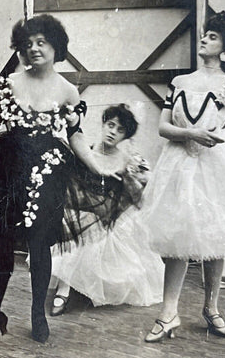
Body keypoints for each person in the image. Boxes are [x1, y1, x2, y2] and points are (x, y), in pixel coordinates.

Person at [0, 14, 116, 352]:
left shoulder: (68, 90)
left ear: (55, 47)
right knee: (1, 247)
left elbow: (75, 136)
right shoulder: (11, 83)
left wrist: (97, 167)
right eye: (28, 43)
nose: (34, 49)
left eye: (41, 42)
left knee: (39, 245)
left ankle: (38, 313)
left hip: (48, 174)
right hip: (10, 170)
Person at [142, 11, 225, 342]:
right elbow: (163, 126)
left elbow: (219, 127)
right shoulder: (180, 83)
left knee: (212, 234)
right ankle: (168, 313)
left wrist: (207, 134)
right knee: (178, 236)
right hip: (178, 163)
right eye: (205, 35)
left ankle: (211, 307)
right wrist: (191, 135)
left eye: (213, 37)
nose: (204, 39)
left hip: (213, 165)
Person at [50, 104, 164, 314]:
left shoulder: (127, 159)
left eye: (120, 130)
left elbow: (141, 194)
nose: (113, 132)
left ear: (125, 136)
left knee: (103, 232)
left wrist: (132, 175)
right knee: (78, 225)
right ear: (103, 124)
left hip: (111, 218)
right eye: (110, 125)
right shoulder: (88, 152)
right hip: (85, 213)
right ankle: (63, 290)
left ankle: (79, 287)